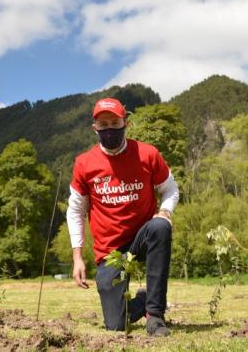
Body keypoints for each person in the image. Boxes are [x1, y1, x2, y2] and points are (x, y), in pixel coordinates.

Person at [66, 98, 180, 336]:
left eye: (115, 123)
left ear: (125, 123)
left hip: (142, 239)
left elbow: (170, 189)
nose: (110, 129)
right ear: (95, 128)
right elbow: (76, 210)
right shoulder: (84, 163)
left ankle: (155, 316)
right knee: (117, 325)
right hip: (111, 252)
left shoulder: (148, 154)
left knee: (160, 227)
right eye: (104, 124)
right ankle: (142, 301)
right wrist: (77, 256)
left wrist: (165, 211)